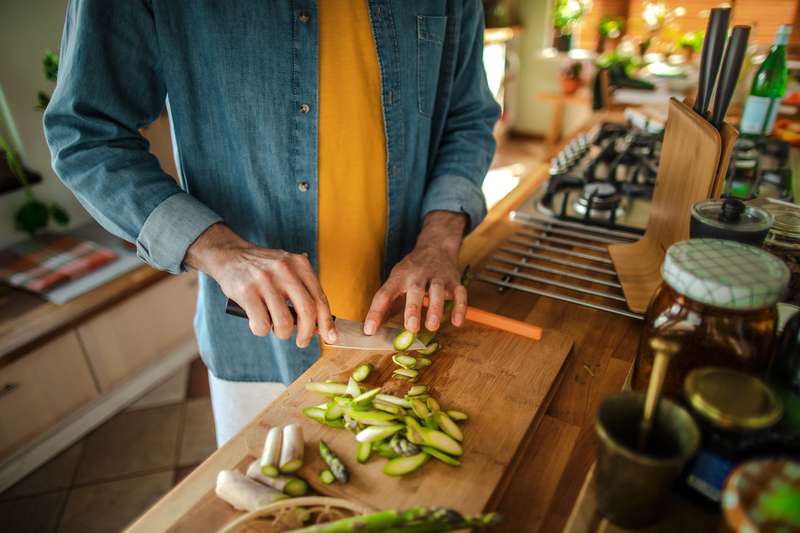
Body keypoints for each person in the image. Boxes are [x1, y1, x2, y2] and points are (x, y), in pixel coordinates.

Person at [44, 0, 500, 444]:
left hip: (411, 319)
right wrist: (222, 251)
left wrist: (440, 240)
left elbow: (468, 117)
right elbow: (87, 135)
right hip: (260, 346)